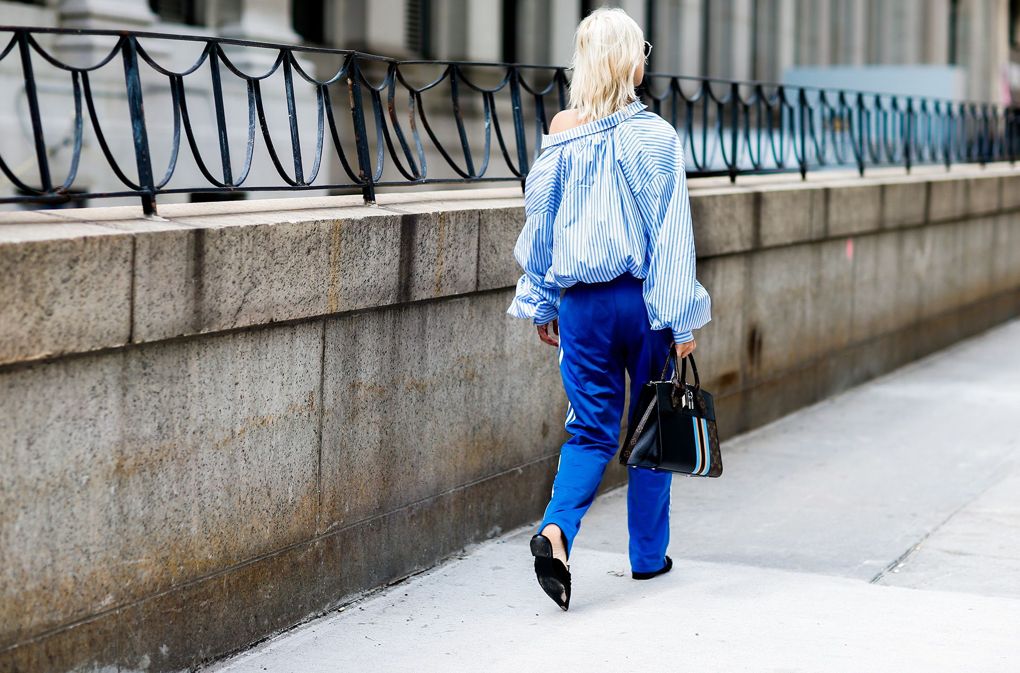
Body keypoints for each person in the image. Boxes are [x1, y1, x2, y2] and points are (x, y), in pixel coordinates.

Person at [506, 7, 712, 611]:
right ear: (631, 61)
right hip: (644, 301)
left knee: (590, 428)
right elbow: (670, 234)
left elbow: (540, 223)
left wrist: (543, 298)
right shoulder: (657, 136)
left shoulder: (562, 130)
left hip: (583, 307)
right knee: (653, 421)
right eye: (641, 50)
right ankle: (648, 558)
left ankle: (556, 531)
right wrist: (681, 318)